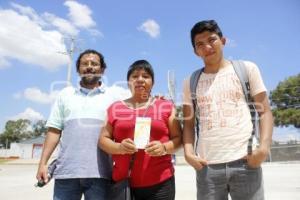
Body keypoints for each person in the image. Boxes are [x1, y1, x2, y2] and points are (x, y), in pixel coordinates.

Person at [182, 20, 273, 200]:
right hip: (207, 166)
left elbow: (265, 112)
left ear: (223, 41)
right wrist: (188, 153)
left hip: (246, 162)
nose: (207, 46)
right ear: (195, 51)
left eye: (212, 39)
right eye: (200, 44)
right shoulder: (190, 81)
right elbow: (189, 123)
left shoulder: (247, 69)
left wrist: (263, 148)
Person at [36, 49, 120, 200]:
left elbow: (125, 128)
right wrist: (43, 163)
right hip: (66, 173)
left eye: (94, 64)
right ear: (78, 69)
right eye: (84, 64)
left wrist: (153, 101)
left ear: (102, 69)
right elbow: (54, 131)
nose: (89, 66)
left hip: (100, 174)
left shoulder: (113, 98)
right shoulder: (65, 95)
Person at [99, 60, 182, 200]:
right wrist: (119, 147)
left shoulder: (166, 106)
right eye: (135, 76)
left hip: (160, 183)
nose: (140, 80)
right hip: (123, 183)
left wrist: (164, 147)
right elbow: (102, 140)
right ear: (128, 82)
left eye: (145, 76)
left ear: (153, 82)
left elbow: (178, 138)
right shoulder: (115, 108)